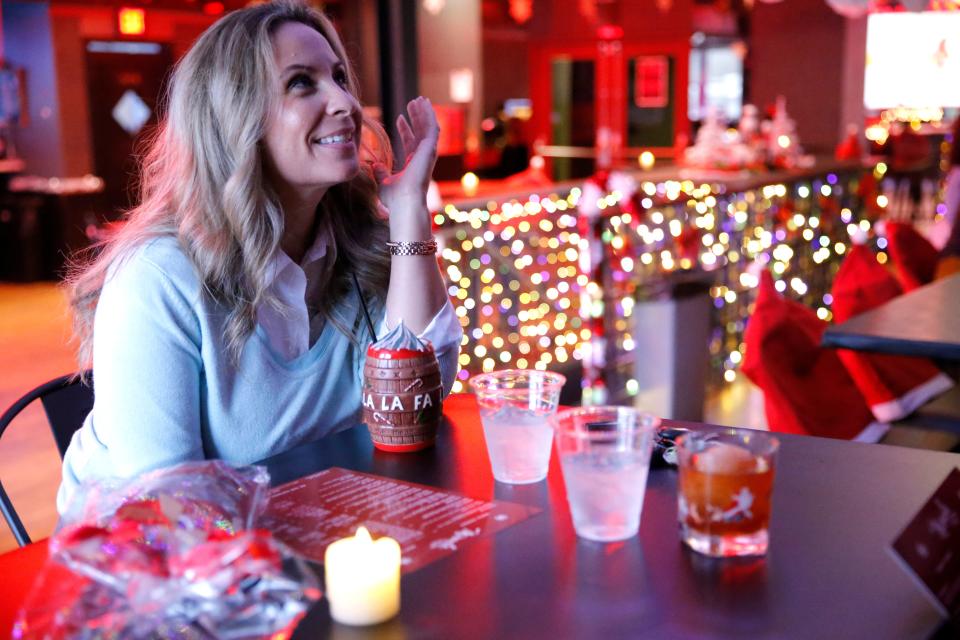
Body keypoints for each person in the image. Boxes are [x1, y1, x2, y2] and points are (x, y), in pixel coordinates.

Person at [57, 1, 462, 513]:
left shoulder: (356, 244)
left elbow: (419, 403)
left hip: (308, 533)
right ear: (236, 114)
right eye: (301, 83)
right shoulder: (157, 277)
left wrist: (409, 213)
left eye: (339, 76)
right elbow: (170, 508)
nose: (344, 102)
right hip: (151, 568)